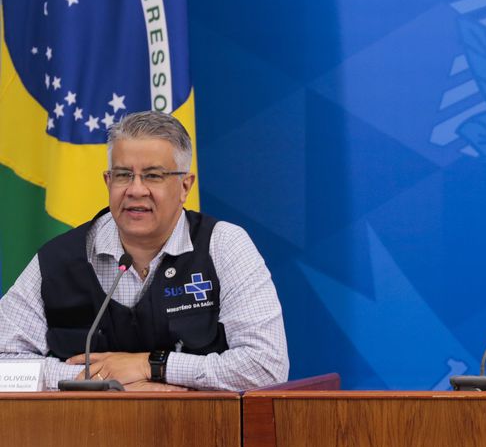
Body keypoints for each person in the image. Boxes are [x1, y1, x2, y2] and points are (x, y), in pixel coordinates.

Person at [0, 111, 289, 390]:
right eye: (123, 175)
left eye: (153, 176)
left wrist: (151, 366)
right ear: (108, 182)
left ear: (185, 186)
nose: (136, 190)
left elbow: (265, 365)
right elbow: (4, 365)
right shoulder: (58, 260)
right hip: (86, 423)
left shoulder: (223, 245)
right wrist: (103, 380)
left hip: (197, 423)